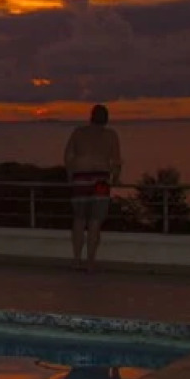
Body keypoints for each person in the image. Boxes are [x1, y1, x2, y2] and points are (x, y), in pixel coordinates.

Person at [64, 104, 123, 272]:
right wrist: (116, 178)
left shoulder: (78, 132)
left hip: (80, 177)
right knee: (95, 221)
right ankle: (90, 262)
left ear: (91, 116)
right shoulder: (111, 135)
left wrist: (70, 177)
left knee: (79, 220)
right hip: (101, 180)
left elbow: (68, 157)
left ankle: (76, 259)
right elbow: (116, 161)